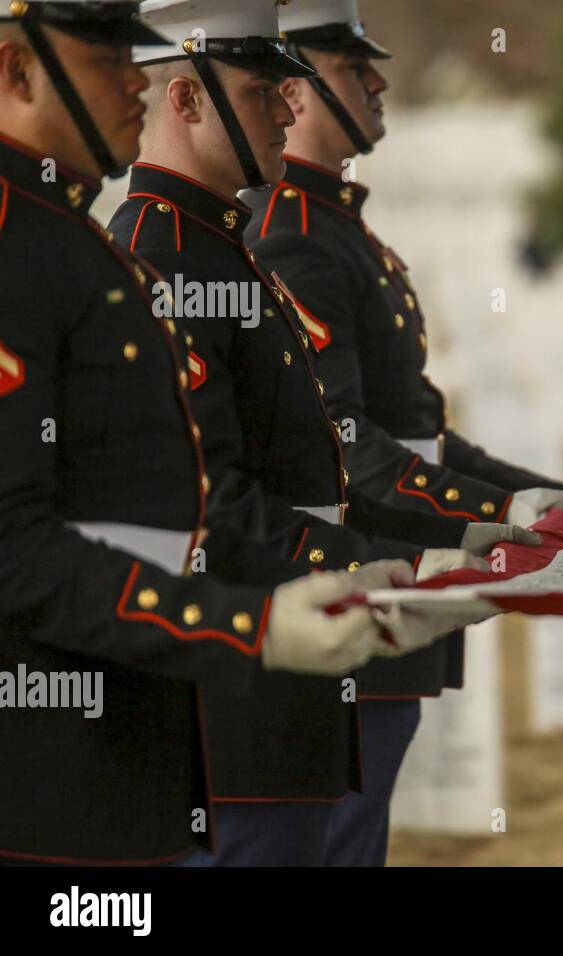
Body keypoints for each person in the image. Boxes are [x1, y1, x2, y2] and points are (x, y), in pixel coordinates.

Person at [0, 0, 414, 866]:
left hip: (144, 722)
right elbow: (19, 546)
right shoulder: (35, 245)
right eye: (106, 61)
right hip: (59, 755)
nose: (133, 85)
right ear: (15, 73)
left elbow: (171, 500)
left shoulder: (76, 239)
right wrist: (246, 626)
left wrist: (346, 564)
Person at [106, 0, 502, 866]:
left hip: (286, 681)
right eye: (263, 89)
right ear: (184, 101)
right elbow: (213, 498)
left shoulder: (221, 244)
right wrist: (370, 566)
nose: (293, 105)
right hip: (235, 697)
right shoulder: (165, 256)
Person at [246, 0, 563, 864]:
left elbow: (421, 433)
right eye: (354, 69)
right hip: (363, 577)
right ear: (297, 92)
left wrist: (550, 498)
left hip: (402, 579)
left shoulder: (339, 232)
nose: (380, 80)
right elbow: (346, 443)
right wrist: (491, 516)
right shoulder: (293, 238)